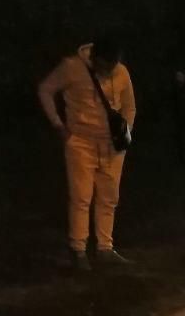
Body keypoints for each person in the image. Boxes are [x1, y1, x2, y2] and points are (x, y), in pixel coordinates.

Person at [37, 38, 137, 270]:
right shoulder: (72, 67)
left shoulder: (121, 72)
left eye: (114, 64)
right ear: (95, 58)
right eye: (106, 64)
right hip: (81, 142)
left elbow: (129, 105)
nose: (110, 69)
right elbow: (45, 89)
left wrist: (125, 132)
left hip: (112, 145)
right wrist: (59, 126)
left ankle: (105, 248)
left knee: (109, 197)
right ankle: (79, 249)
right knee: (81, 197)